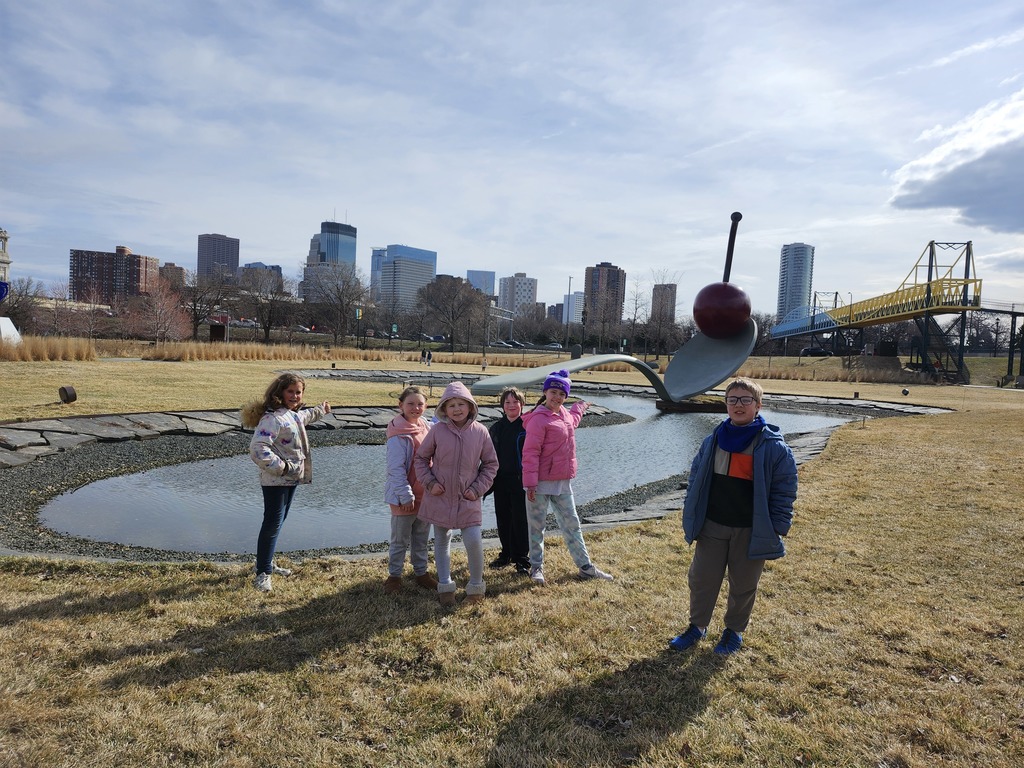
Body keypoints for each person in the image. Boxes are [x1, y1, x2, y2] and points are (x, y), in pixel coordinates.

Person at [669, 378, 798, 656]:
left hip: (751, 529)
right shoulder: (712, 441)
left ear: (758, 405)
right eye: (732, 400)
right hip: (712, 526)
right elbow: (696, 478)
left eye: (745, 400)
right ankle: (697, 627)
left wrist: (778, 526)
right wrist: (692, 511)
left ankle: (734, 631)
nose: (738, 405)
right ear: (726, 404)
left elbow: (785, 489)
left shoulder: (773, 447)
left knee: (743, 585)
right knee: (702, 579)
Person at [521, 369, 614, 586]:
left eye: (562, 394)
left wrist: (580, 406)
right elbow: (530, 453)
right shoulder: (538, 419)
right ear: (545, 392)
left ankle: (585, 567)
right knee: (537, 528)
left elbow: (574, 420)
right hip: (539, 484)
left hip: (562, 483)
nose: (557, 397)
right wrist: (530, 484)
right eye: (553, 392)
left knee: (572, 524)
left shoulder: (564, 415)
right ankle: (536, 567)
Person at [242, 372, 331, 593]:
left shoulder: (291, 415)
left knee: (278, 522)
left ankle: (266, 562)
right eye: (290, 391)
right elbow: (257, 448)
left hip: (290, 479)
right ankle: (263, 573)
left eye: (298, 392)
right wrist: (282, 468)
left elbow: (305, 417)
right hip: (276, 480)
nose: (294, 396)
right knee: (272, 524)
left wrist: (321, 410)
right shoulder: (273, 418)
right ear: (279, 392)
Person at [413, 381, 498, 606]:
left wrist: (477, 489)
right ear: (444, 409)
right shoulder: (437, 431)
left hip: (468, 497)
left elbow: (491, 465)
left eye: (461, 404)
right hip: (440, 496)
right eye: (451, 405)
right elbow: (421, 459)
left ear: (470, 406)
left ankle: (476, 588)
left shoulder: (480, 431)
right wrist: (430, 483)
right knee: (442, 541)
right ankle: (445, 587)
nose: (457, 409)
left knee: (473, 541)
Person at [383, 386, 438, 594]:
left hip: (426, 496)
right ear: (401, 405)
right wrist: (406, 495)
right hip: (404, 498)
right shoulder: (398, 433)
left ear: (426, 406)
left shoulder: (427, 426)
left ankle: (421, 573)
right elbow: (395, 469)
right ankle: (394, 577)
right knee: (400, 541)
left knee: (421, 539)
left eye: (420, 404)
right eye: (411, 404)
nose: (416, 408)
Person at [487, 387, 530, 573]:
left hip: (521, 482)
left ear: (522, 404)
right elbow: (487, 456)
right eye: (507, 402)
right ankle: (505, 554)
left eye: (515, 402)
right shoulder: (496, 428)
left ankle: (521, 558)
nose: (511, 405)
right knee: (503, 519)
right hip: (500, 482)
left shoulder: (528, 426)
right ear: (502, 406)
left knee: (520, 520)